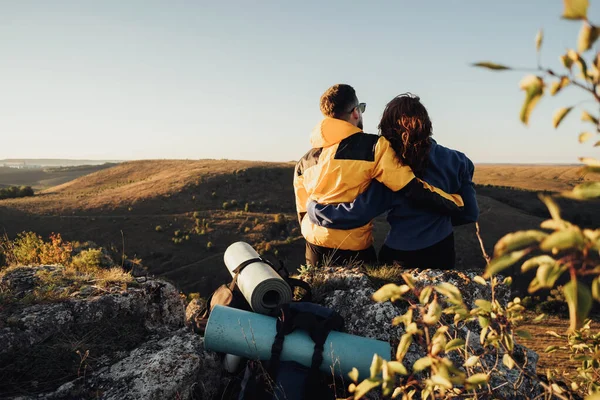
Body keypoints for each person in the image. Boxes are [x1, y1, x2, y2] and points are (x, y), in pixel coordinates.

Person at [293, 85, 465, 267]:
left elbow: (302, 212)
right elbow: (409, 187)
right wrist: (456, 203)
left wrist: (315, 212)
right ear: (355, 113)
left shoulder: (303, 162)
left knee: (316, 294)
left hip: (313, 246)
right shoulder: (375, 147)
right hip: (353, 248)